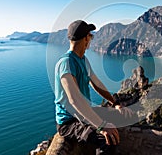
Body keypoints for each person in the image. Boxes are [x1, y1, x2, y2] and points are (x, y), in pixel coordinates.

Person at [54, 20, 131, 154]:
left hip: (85, 114)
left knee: (122, 116)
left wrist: (116, 103)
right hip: (70, 122)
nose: (91, 38)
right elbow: (74, 100)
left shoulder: (83, 59)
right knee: (107, 140)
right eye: (91, 35)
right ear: (85, 38)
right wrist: (101, 126)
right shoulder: (66, 63)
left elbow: (97, 84)